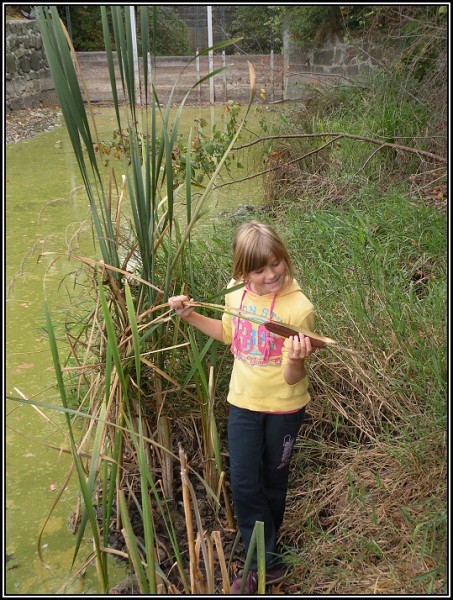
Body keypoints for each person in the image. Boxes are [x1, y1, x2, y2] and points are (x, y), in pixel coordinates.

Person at [169, 221, 316, 594]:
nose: (271, 274)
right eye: (259, 269)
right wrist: (189, 315)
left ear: (284, 257)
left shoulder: (299, 308)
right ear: (242, 272)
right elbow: (227, 334)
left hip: (284, 407)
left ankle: (264, 560)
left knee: (273, 484)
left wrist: (298, 358)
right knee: (245, 482)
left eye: (276, 263)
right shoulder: (236, 296)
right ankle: (262, 562)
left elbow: (291, 377)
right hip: (243, 404)